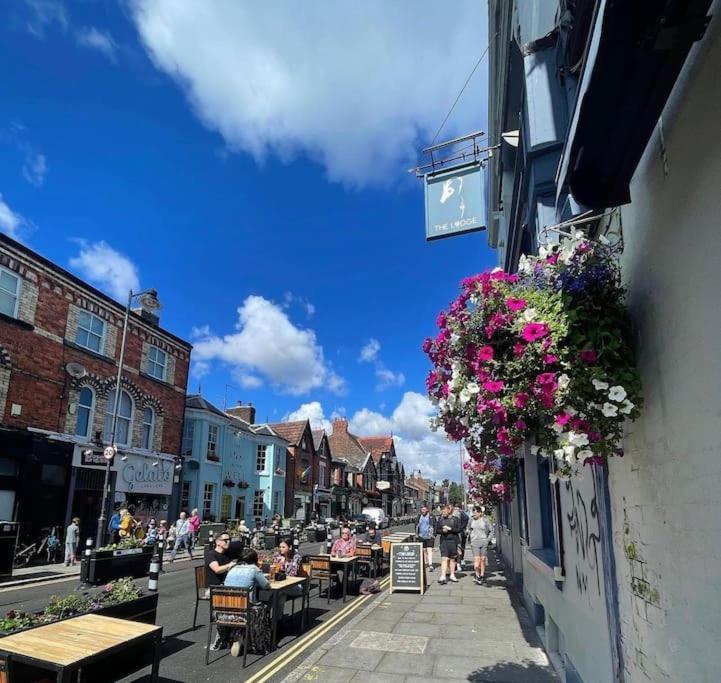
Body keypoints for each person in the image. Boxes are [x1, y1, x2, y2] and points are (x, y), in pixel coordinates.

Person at [223, 549, 272, 657]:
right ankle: (257, 640)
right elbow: (266, 586)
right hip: (247, 607)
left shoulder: (232, 568)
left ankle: (239, 635)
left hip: (227, 607)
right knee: (268, 600)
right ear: (255, 559)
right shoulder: (254, 569)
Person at [434, 504, 460, 584]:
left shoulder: (455, 519)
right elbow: (436, 530)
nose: (443, 512)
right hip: (444, 541)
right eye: (443, 510)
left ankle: (452, 574)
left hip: (453, 541)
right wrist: (442, 531)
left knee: (452, 559)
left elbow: (459, 529)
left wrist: (450, 529)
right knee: (444, 558)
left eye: (445, 510)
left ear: (449, 510)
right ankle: (443, 576)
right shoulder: (440, 520)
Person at [468, 506, 492, 585]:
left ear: (480, 513)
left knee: (483, 559)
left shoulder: (485, 520)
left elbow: (491, 530)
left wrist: (487, 540)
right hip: (474, 542)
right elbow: (468, 529)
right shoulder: (471, 520)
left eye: (476, 512)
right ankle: (477, 575)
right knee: (477, 559)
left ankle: (482, 575)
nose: (474, 514)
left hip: (483, 541)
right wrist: (468, 533)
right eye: (473, 512)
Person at [416, 503, 435, 572]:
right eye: (422, 509)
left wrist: (434, 535)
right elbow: (416, 525)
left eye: (424, 509)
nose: (423, 510)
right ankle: (425, 562)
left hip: (430, 536)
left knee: (429, 550)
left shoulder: (431, 516)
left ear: (427, 509)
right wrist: (416, 534)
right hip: (421, 536)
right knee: (424, 550)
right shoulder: (419, 516)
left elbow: (435, 525)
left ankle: (430, 564)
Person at [454, 504, 470, 571]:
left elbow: (466, 518)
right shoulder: (452, 515)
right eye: (455, 509)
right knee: (455, 549)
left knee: (461, 548)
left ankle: (460, 561)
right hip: (455, 534)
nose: (456, 511)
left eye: (457, 509)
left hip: (461, 533)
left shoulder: (463, 515)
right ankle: (456, 563)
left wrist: (461, 528)